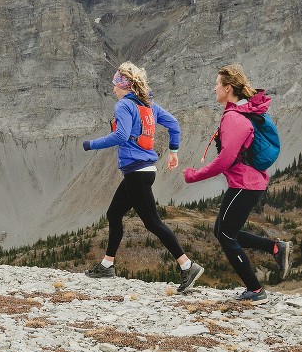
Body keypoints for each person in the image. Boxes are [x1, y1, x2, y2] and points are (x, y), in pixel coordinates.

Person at [82, 61, 204, 293]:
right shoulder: (150, 107)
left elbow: (120, 135)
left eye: (115, 85)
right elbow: (174, 125)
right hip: (143, 172)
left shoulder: (124, 106)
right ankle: (107, 264)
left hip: (137, 172)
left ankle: (187, 265)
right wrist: (174, 151)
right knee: (114, 213)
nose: (113, 90)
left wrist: (91, 144)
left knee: (152, 222)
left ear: (123, 86)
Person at [183, 64, 291, 305]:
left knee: (225, 234)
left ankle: (255, 289)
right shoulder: (244, 112)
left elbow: (224, 160)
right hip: (249, 183)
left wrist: (193, 175)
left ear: (228, 88)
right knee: (223, 231)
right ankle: (275, 248)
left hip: (245, 185)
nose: (214, 88)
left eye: (217, 84)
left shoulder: (234, 118)